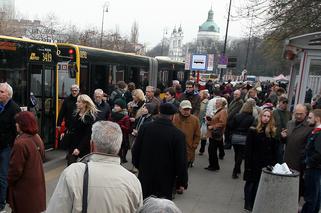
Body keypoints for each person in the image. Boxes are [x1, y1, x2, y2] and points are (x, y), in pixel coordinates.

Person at [47, 121, 143, 213]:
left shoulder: (73, 173)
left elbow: (57, 209)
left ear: (92, 145)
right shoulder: (133, 181)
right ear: (118, 148)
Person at [132, 103, 188, 200]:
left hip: (145, 176)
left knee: (144, 204)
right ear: (173, 116)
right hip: (165, 180)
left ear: (159, 113)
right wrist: (182, 182)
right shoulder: (178, 135)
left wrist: (139, 165)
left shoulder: (145, 128)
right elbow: (181, 161)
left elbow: (136, 150)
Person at [7, 111, 45, 213]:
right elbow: (42, 157)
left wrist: (9, 181)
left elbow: (15, 170)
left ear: (23, 124)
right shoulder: (37, 138)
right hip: (36, 187)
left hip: (23, 189)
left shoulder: (20, 143)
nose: (16, 124)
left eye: (17, 122)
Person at [244, 109, 278, 211]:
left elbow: (274, 149)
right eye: (264, 116)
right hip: (253, 162)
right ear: (260, 116)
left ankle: (255, 203)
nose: (266, 118)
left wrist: (273, 163)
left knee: (259, 184)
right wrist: (248, 165)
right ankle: (248, 204)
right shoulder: (253, 130)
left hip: (265, 163)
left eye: (268, 116)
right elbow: (248, 149)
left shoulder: (272, 131)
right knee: (251, 184)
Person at [282, 104, 313, 198]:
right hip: (287, 160)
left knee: (297, 189)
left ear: (306, 114)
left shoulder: (309, 126)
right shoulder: (290, 123)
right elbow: (286, 141)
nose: (298, 116)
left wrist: (303, 160)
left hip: (300, 163)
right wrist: (283, 137)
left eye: (301, 114)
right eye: (297, 114)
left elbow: (309, 147)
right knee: (285, 186)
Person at [0, 82, 20, 212]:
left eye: (1, 92)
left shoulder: (14, 108)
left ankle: (1, 204)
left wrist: (11, 145)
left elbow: (17, 130)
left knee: (2, 176)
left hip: (6, 148)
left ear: (8, 94)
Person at [66, 94, 98, 165]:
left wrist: (79, 148)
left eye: (79, 102)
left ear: (84, 104)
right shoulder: (76, 113)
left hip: (82, 147)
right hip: (72, 145)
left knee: (81, 169)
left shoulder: (89, 117)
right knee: (70, 168)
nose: (76, 103)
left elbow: (88, 135)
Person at [301, 109, 321, 213]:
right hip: (314, 168)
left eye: (310, 118)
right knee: (315, 196)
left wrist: (308, 162)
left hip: (314, 169)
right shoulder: (315, 132)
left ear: (317, 119)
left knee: (311, 197)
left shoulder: (319, 133)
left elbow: (318, 153)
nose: (308, 120)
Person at [229, 101, 254, 179]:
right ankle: (236, 170)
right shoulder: (251, 118)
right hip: (245, 137)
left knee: (236, 153)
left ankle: (237, 168)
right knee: (241, 154)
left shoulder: (237, 116)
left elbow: (231, 125)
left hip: (235, 136)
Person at [173, 100, 200, 169]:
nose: (186, 111)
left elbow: (197, 135)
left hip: (188, 148)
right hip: (175, 148)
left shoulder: (195, 120)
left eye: (188, 109)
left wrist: (194, 145)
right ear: (180, 109)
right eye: (184, 109)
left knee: (184, 169)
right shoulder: (174, 118)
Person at [205, 98, 228, 171]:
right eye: (216, 103)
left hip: (216, 133)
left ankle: (214, 166)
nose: (215, 104)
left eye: (217, 103)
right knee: (211, 150)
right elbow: (216, 120)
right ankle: (212, 165)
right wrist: (209, 121)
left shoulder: (223, 112)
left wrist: (212, 126)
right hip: (213, 133)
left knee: (212, 150)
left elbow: (222, 123)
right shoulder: (218, 111)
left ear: (221, 104)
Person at [110, 98, 131, 163]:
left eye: (117, 106)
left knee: (119, 153)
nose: (115, 107)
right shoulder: (112, 113)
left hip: (121, 137)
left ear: (122, 107)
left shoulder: (126, 116)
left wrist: (119, 125)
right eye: (115, 105)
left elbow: (128, 129)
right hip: (112, 135)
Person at [272, 96, 291, 163]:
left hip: (283, 137)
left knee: (280, 154)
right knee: (273, 153)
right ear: (279, 102)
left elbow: (290, 123)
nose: (285, 104)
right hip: (274, 136)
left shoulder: (288, 113)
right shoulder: (274, 112)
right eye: (283, 102)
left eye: (286, 103)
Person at [199, 90, 209, 155]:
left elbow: (207, 112)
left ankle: (202, 149)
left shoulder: (207, 102)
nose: (199, 95)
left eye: (200, 94)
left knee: (203, 136)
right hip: (198, 120)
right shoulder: (198, 101)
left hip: (203, 121)